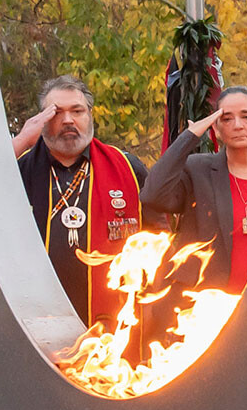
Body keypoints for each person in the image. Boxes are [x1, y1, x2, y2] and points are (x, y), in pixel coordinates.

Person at [11, 76, 148, 324]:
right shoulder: (18, 171)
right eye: (56, 113)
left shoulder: (127, 167)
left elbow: (157, 234)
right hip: (36, 320)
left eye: (77, 111)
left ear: (90, 116)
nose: (67, 120)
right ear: (40, 120)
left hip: (114, 322)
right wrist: (20, 142)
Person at [142, 85, 247, 294]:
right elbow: (153, 195)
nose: (237, 125)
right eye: (227, 119)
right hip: (204, 306)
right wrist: (190, 136)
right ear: (216, 128)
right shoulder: (197, 170)